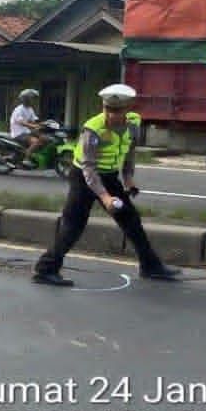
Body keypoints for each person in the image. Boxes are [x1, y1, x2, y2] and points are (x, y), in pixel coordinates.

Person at [32, 83, 181, 286]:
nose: (111, 114)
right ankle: (45, 269)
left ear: (127, 109)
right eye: (107, 109)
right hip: (83, 177)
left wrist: (128, 179)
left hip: (110, 175)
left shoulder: (133, 123)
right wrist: (105, 197)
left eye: (117, 110)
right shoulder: (93, 129)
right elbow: (89, 169)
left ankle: (151, 267)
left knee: (131, 220)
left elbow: (129, 152)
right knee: (73, 225)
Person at [10, 88, 47, 168]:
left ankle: (34, 154)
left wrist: (45, 123)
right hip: (19, 133)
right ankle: (26, 159)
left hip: (26, 132)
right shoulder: (19, 110)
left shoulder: (29, 109)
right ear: (26, 99)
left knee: (44, 138)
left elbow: (34, 120)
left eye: (34, 99)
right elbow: (21, 122)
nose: (33, 100)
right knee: (35, 142)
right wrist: (33, 126)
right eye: (32, 98)